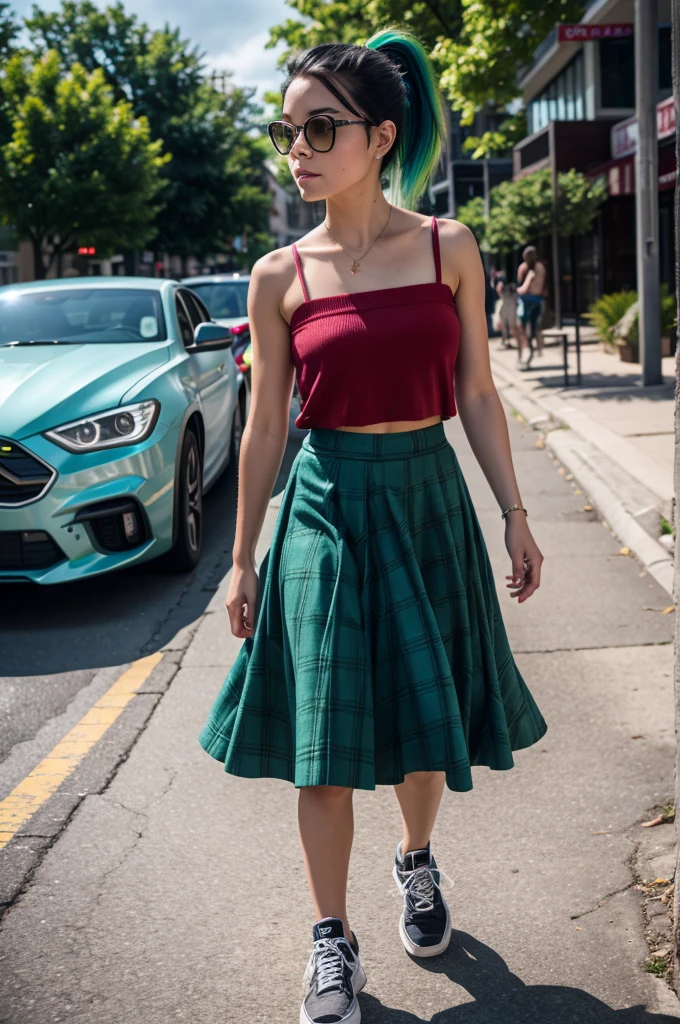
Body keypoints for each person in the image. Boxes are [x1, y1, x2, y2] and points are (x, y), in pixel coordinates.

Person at [198, 28, 548, 1024]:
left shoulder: (447, 247)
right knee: (323, 739)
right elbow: (266, 423)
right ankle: (328, 940)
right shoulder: (279, 275)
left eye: (321, 129)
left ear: (381, 135)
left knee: (417, 728)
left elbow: (476, 392)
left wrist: (513, 512)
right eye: (288, 131)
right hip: (324, 503)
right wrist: (241, 558)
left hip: (426, 494)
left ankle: (414, 856)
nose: (297, 149)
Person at [516, 245, 547, 368]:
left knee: (522, 327)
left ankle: (528, 350)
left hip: (527, 300)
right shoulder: (541, 267)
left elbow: (521, 286)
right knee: (534, 326)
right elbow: (544, 284)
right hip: (538, 299)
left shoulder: (523, 268)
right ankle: (533, 349)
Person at [494, 277, 519, 349]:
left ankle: (510, 341)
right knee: (505, 327)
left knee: (511, 327)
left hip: (509, 312)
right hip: (506, 312)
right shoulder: (502, 299)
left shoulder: (509, 296)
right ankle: (506, 341)